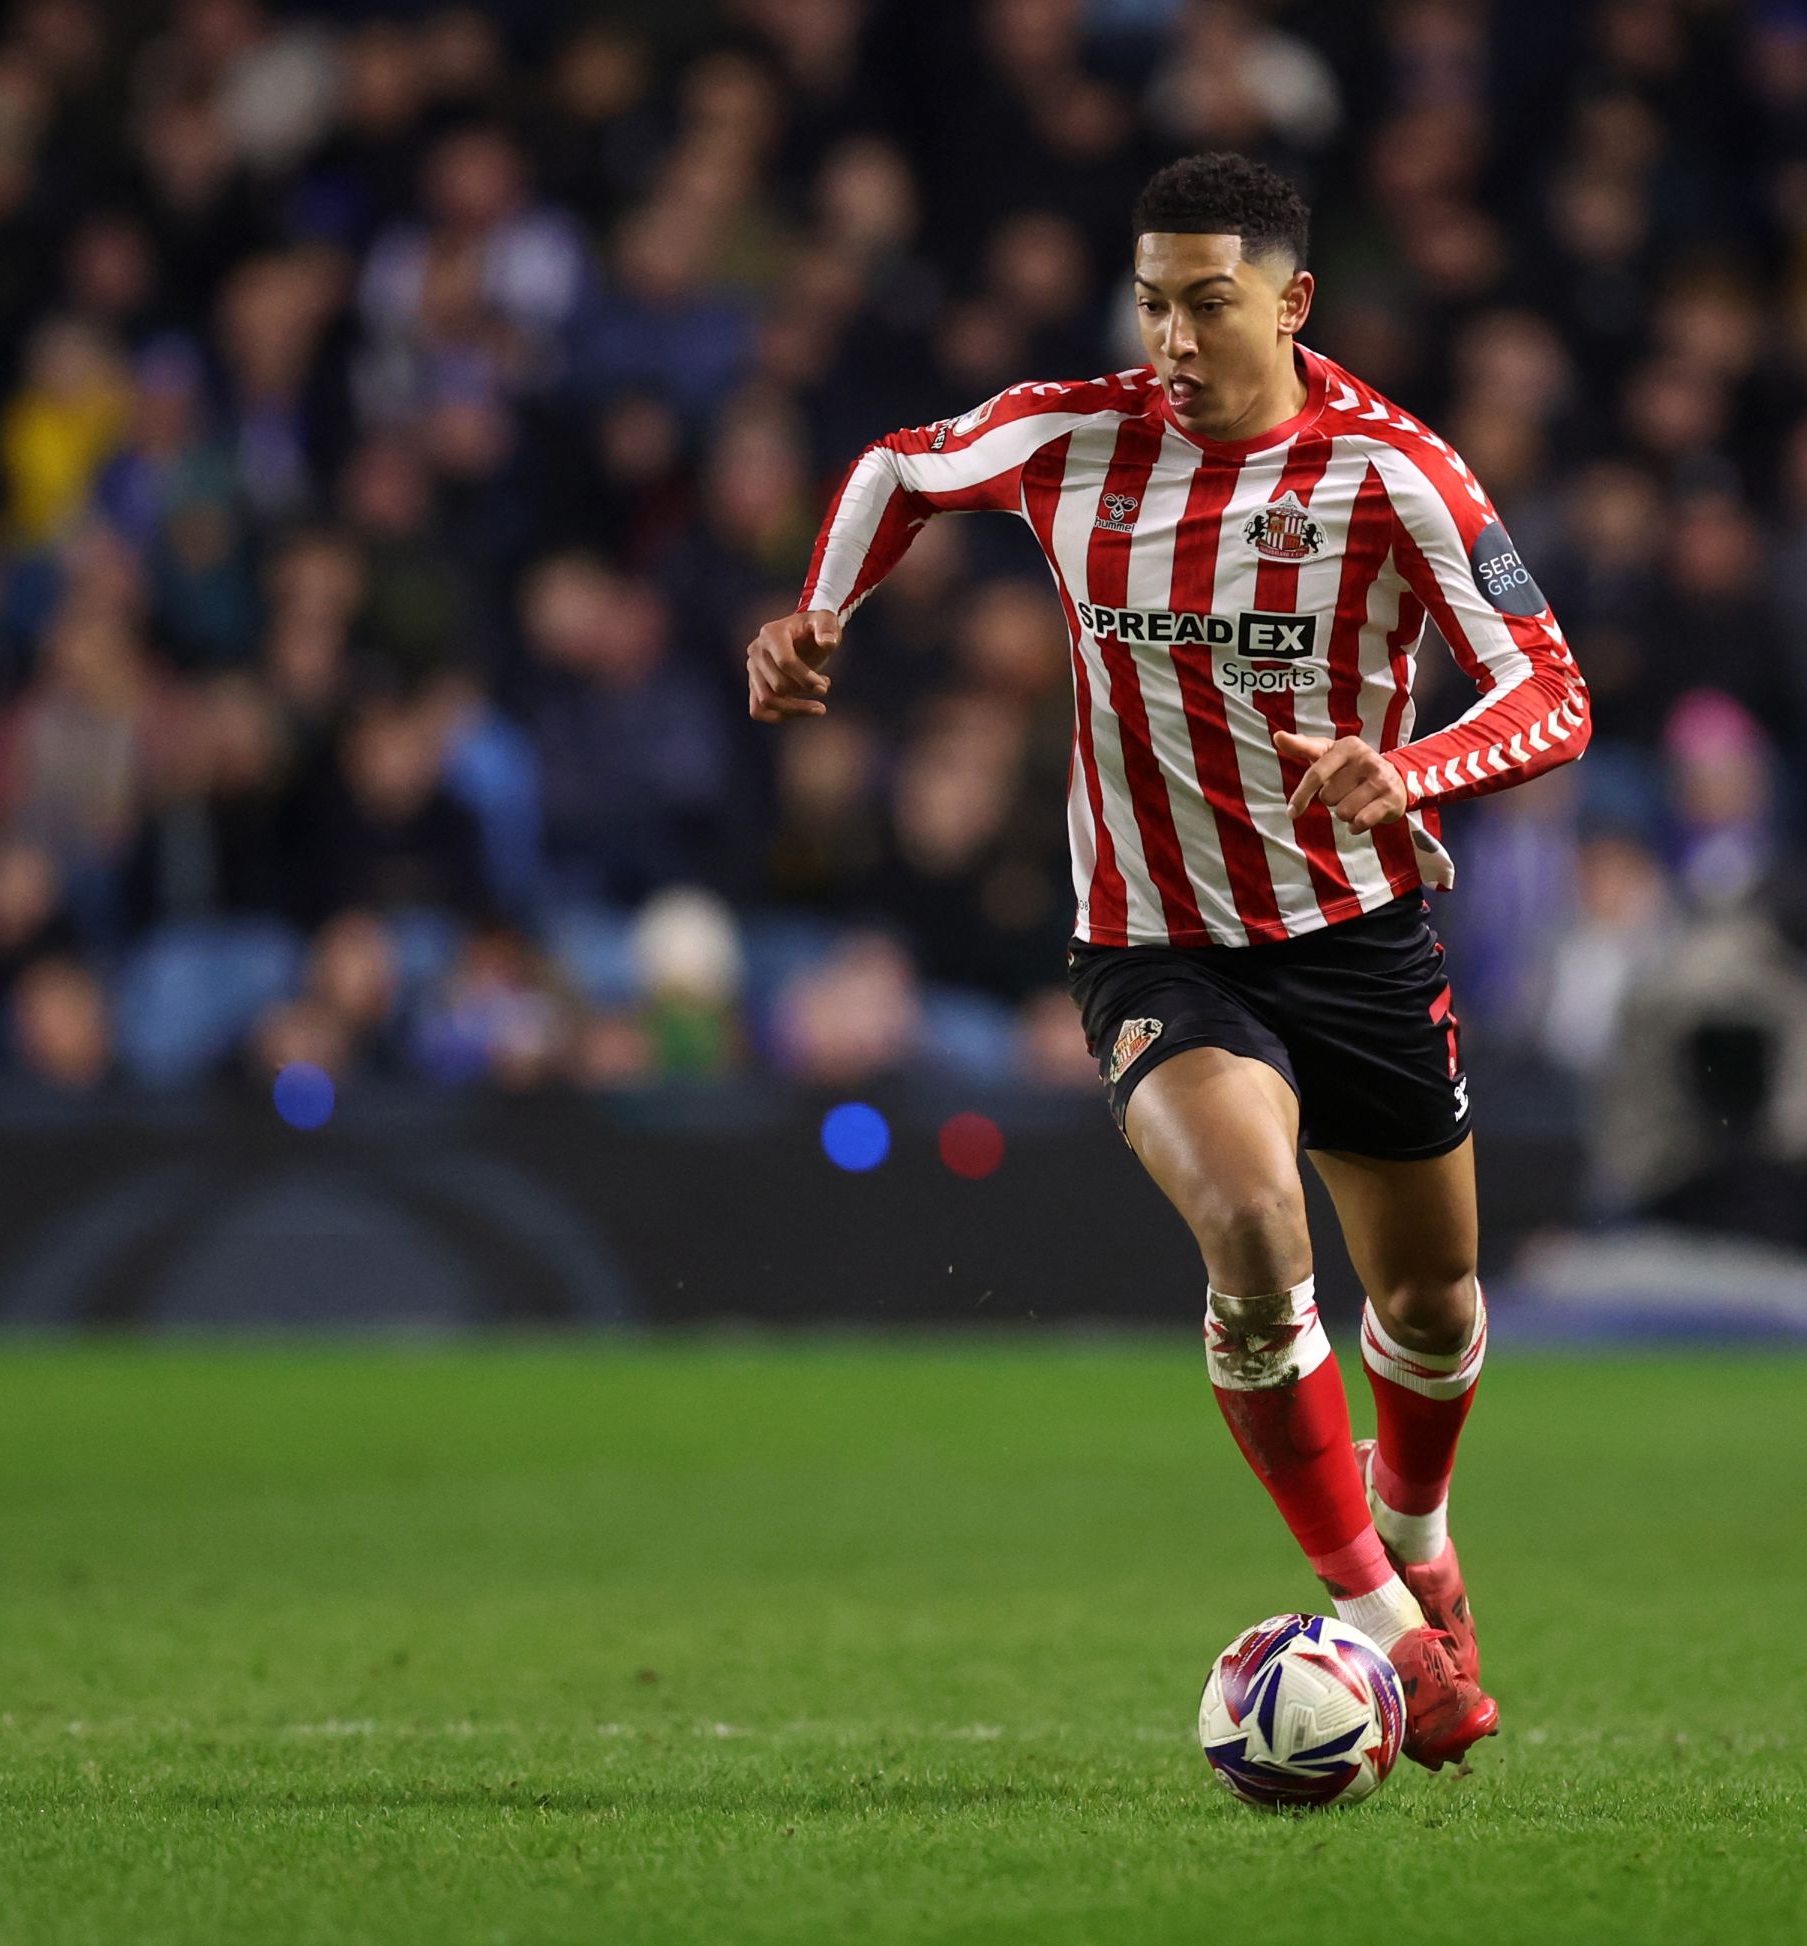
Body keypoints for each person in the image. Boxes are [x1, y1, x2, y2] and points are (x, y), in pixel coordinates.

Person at [745, 154, 1590, 1769]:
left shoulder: (1393, 472)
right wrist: (817, 614)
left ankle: (1416, 1531)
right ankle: (1388, 1625)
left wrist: (1408, 771)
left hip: (1356, 939)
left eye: (1208, 302)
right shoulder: (1074, 440)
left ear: (1291, 301)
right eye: (1150, 304)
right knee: (1254, 1227)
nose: (1173, 339)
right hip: (1154, 948)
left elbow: (1550, 691)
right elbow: (895, 468)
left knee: (1428, 1301)